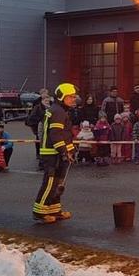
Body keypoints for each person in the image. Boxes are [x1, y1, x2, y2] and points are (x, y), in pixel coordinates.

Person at [33, 83, 78, 223]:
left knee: (58, 183)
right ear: (61, 97)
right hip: (52, 154)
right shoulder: (58, 111)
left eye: (73, 97)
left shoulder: (60, 110)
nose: (73, 99)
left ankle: (54, 209)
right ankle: (40, 212)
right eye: (70, 97)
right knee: (50, 182)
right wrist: (64, 151)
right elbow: (56, 135)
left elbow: (65, 135)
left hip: (57, 153)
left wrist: (70, 150)